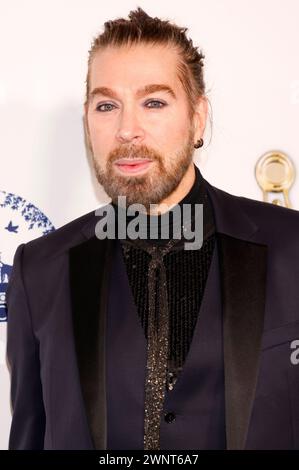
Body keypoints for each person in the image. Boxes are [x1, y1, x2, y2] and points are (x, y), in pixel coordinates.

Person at [6, 7, 299, 450]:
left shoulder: (292, 248)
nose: (127, 129)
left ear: (198, 118)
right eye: (107, 105)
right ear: (88, 121)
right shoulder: (41, 270)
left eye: (154, 102)